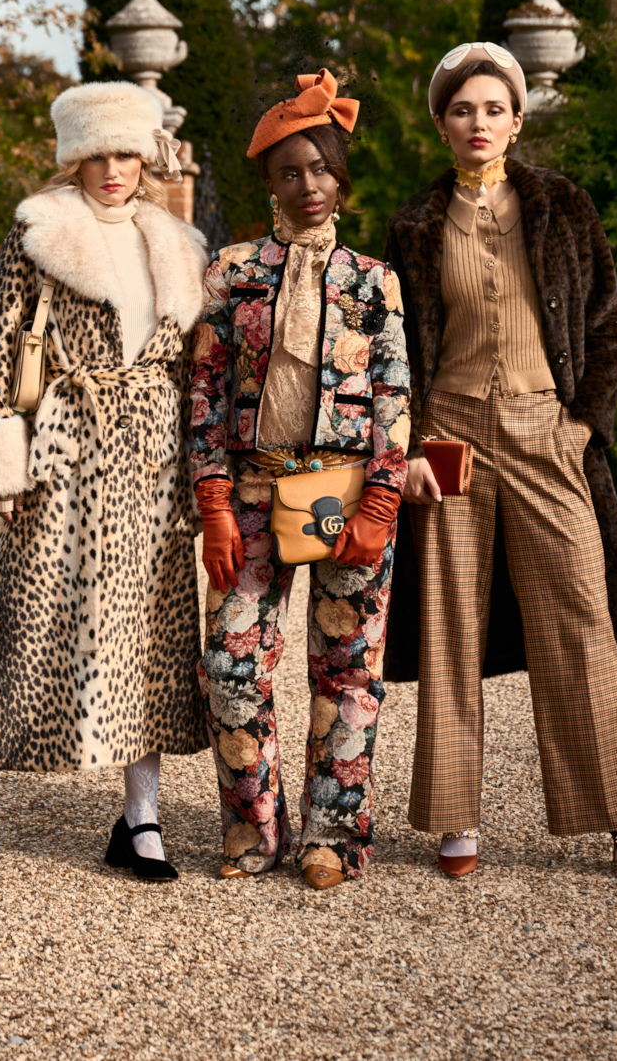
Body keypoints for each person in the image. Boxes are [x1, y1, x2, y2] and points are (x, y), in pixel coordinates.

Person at [384, 42, 617, 881]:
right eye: (462, 109)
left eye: (494, 109)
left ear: (517, 120)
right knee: (450, 622)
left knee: (579, 614)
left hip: (547, 428)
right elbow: (395, 349)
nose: (479, 122)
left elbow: (607, 323)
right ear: (441, 123)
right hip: (449, 432)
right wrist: (409, 445)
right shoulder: (414, 224)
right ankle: (454, 817)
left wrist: (582, 428)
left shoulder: (563, 205)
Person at [0, 80, 208, 898]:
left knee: (148, 638)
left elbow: (194, 372)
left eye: (127, 152)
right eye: (97, 155)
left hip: (153, 460)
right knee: (20, 629)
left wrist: (201, 477)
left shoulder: (179, 242)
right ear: (73, 159)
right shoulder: (38, 231)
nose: (113, 170)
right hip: (62, 451)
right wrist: (0, 463)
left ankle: (141, 819)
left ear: (147, 154)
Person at [189, 70, 410, 890]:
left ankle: (332, 837)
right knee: (229, 663)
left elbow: (394, 395)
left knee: (347, 668)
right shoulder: (231, 271)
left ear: (341, 177)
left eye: (321, 168)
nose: (308, 185)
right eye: (290, 172)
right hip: (250, 496)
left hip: (349, 498)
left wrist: (382, 501)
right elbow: (205, 391)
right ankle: (254, 831)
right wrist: (212, 501)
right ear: (270, 183)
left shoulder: (374, 280)